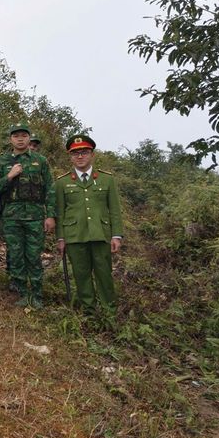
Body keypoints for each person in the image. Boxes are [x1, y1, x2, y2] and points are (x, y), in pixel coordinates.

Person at [55, 134, 123, 323]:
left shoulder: (106, 179)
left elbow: (115, 210)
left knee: (104, 275)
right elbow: (60, 213)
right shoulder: (62, 182)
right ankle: (89, 314)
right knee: (81, 276)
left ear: (92, 154)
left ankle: (109, 312)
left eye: (84, 152)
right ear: (70, 157)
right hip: (74, 237)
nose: (80, 157)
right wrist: (60, 239)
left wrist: (116, 235)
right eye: (75, 153)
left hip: (101, 235)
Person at [0, 122, 56, 309]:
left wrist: (50, 216)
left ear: (29, 138)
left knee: (34, 256)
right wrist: (9, 176)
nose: (20, 138)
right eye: (16, 135)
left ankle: (36, 294)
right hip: (11, 216)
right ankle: (20, 292)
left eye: (24, 135)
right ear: (10, 139)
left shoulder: (40, 161)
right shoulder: (2, 162)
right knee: (16, 255)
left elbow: (50, 189)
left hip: (35, 216)